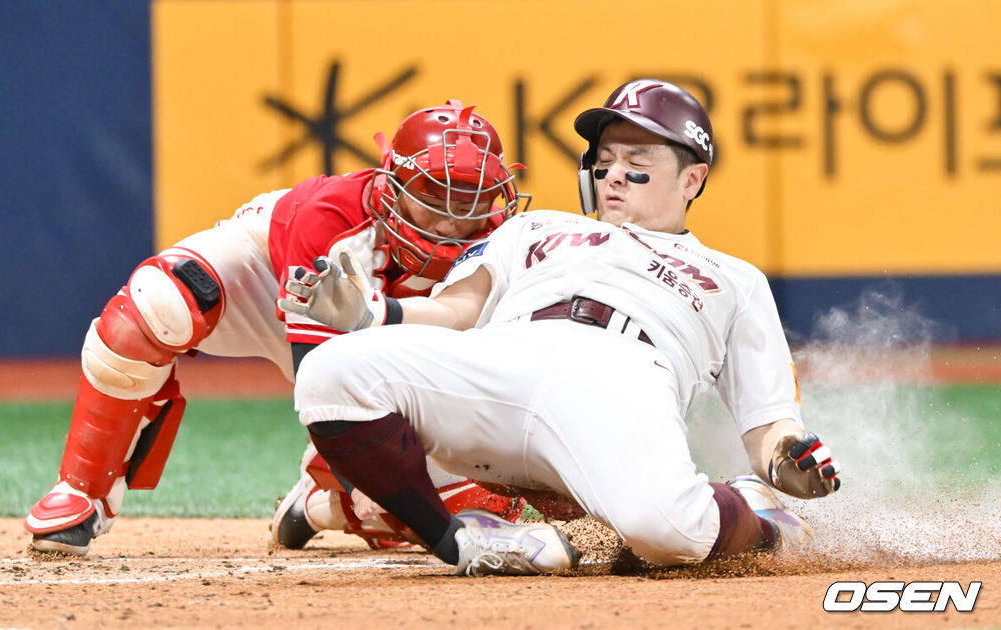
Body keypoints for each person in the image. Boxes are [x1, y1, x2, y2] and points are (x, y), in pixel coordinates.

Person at [278, 79, 842, 576]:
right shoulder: (534, 226)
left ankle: (761, 518)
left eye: (637, 160)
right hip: (505, 358)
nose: (613, 173)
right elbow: (457, 312)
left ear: (693, 179)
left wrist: (784, 462)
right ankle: (456, 545)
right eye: (605, 158)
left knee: (669, 530)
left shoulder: (735, 278)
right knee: (329, 374)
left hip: (623, 379)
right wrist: (372, 315)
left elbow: (769, 422)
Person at [24, 100, 532, 557]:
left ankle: (322, 505)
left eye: (471, 198)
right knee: (157, 305)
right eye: (434, 193)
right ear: (392, 183)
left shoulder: (502, 243)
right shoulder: (331, 217)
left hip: (382, 335)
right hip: (266, 278)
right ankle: (82, 491)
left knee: (477, 503)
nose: (452, 218)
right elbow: (322, 386)